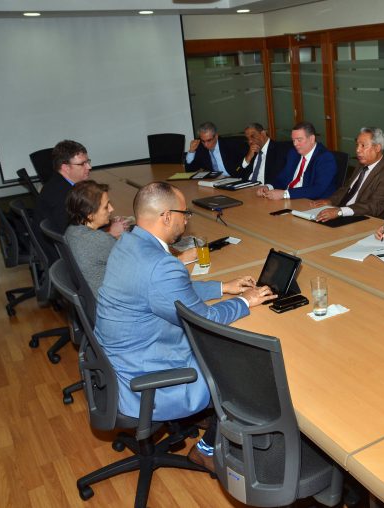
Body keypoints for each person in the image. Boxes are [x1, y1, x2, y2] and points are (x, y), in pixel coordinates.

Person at [94, 181, 277, 470]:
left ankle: (204, 415)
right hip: (143, 377)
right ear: (166, 216)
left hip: (119, 362)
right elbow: (204, 320)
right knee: (238, 366)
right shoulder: (160, 265)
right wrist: (246, 301)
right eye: (184, 213)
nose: (186, 219)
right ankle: (206, 449)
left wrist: (222, 287)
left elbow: (168, 291)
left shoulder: (128, 244)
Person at [309, 127, 384, 222]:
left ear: (377, 148)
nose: (357, 150)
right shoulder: (361, 165)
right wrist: (330, 201)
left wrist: (340, 211)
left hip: (364, 220)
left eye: (363, 146)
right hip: (342, 214)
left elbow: (373, 206)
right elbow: (346, 189)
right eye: (357, 145)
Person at [33, 139, 93, 262]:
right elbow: (73, 236)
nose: (89, 167)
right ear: (65, 167)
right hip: (65, 255)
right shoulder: (62, 195)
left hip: (60, 246)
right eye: (82, 164)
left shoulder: (59, 183)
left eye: (88, 162)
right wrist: (109, 232)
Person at [64, 180, 127, 296]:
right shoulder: (100, 240)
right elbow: (135, 265)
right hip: (113, 305)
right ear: (90, 214)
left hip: (93, 298)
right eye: (106, 206)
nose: (111, 209)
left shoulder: (71, 231)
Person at [255, 121, 337, 200]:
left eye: (299, 140)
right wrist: (268, 187)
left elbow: (317, 189)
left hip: (311, 202)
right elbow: (283, 178)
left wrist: (285, 194)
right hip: (289, 198)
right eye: (293, 140)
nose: (295, 144)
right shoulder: (293, 153)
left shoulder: (325, 158)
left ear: (312, 139)